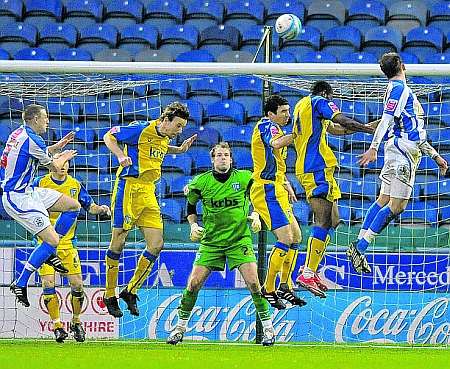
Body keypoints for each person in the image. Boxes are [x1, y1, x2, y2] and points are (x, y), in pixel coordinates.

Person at [347, 52, 448, 274]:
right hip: (402, 152)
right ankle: (361, 247)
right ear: (402, 65)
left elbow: (415, 133)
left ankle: (357, 243)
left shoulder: (394, 90)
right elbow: (386, 121)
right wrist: (373, 147)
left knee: (383, 199)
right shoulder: (400, 89)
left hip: (398, 150)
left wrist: (436, 157)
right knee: (397, 206)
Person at [167, 142, 275, 346]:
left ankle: (269, 330)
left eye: (226, 155)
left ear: (231, 159)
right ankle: (179, 328)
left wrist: (256, 214)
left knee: (254, 283)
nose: (223, 158)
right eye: (219, 155)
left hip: (239, 240)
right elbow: (190, 206)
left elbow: (260, 196)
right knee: (193, 283)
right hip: (211, 242)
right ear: (212, 159)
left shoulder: (245, 177)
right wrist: (192, 225)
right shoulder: (200, 182)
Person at [275, 81, 376, 298]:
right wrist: (367, 130)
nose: (331, 102)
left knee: (334, 219)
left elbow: (337, 129)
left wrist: (373, 125)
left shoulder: (303, 106)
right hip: (317, 167)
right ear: (325, 94)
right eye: (331, 98)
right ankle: (308, 271)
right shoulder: (320, 101)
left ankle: (310, 268)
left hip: (312, 168)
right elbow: (340, 119)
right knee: (323, 220)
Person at [102, 101, 196, 318]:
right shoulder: (140, 128)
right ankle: (109, 295)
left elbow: (157, 148)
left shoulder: (164, 138)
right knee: (119, 239)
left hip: (148, 191)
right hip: (129, 187)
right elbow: (109, 136)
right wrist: (119, 155)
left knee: (156, 244)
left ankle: (130, 290)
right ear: (165, 120)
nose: (180, 130)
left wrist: (179, 150)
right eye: (178, 126)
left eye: (182, 127)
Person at [1, 104, 79, 307]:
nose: (47, 121)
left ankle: (49, 253)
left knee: (73, 206)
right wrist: (63, 157)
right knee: (52, 240)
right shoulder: (32, 139)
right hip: (18, 197)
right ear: (35, 119)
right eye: (45, 117)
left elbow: (37, 152)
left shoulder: (19, 133)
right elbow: (55, 167)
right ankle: (20, 282)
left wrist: (57, 146)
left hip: (29, 191)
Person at [33, 160, 110, 343]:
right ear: (51, 164)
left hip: (67, 245)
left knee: (77, 285)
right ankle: (57, 326)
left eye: (67, 162)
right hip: (44, 242)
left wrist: (101, 209)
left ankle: (76, 322)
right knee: (48, 283)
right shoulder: (39, 182)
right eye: (59, 162)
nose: (63, 166)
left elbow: (89, 206)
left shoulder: (75, 185)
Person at [250, 94, 306, 310]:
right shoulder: (267, 126)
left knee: (296, 237)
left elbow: (276, 160)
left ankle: (285, 284)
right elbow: (275, 143)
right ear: (270, 114)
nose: (287, 115)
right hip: (265, 189)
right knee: (285, 237)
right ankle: (269, 288)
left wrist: (285, 182)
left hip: (276, 186)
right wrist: (297, 132)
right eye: (283, 112)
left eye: (288, 111)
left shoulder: (278, 128)